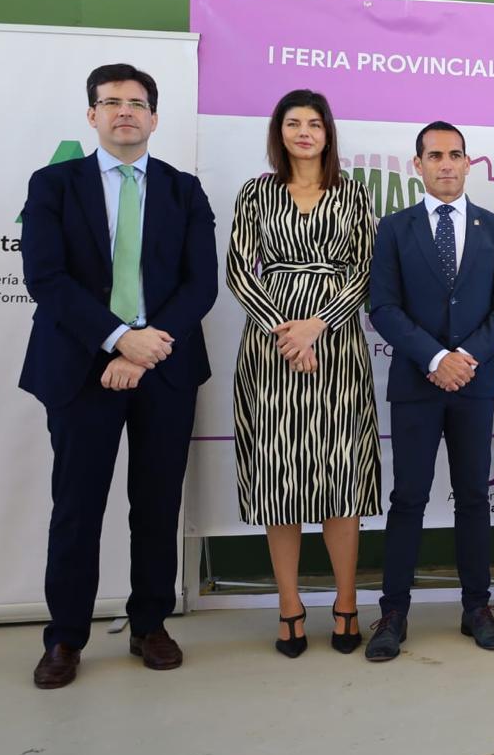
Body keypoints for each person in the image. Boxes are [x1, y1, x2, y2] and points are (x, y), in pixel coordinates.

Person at [20, 64, 218, 689]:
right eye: (111, 103)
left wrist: (142, 352)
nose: (124, 112)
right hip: (81, 369)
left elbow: (200, 284)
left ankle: (150, 625)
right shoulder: (54, 185)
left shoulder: (185, 191)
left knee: (156, 505)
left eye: (137, 103)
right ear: (92, 116)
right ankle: (65, 638)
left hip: (164, 368)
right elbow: (45, 278)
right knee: (77, 506)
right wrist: (116, 341)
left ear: (154, 118)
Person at [225, 89, 381, 657]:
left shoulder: (353, 192)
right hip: (270, 354)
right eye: (293, 123)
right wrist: (284, 331)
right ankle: (288, 605)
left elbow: (366, 270)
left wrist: (316, 327)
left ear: (328, 132)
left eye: (314, 123)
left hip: (336, 348)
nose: (304, 132)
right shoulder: (257, 192)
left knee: (341, 477)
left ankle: (346, 603)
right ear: (279, 132)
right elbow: (240, 272)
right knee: (278, 481)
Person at [364, 121, 494, 660]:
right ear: (419, 165)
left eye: (456, 155)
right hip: (416, 383)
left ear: (469, 163)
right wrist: (434, 358)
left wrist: (466, 358)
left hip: (473, 385)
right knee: (407, 498)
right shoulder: (393, 228)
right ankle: (393, 612)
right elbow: (382, 306)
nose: (447, 164)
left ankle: (476, 607)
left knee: (474, 498)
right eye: (435, 156)